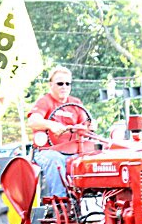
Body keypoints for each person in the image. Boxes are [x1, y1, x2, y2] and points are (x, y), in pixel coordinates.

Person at [27, 66, 96, 197]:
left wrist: (91, 125)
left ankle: (94, 197)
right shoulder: (44, 102)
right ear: (51, 85)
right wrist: (51, 125)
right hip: (47, 151)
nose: (64, 87)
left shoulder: (76, 103)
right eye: (60, 83)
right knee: (55, 160)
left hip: (74, 151)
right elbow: (33, 121)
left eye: (67, 83)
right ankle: (60, 200)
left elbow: (87, 125)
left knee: (95, 158)